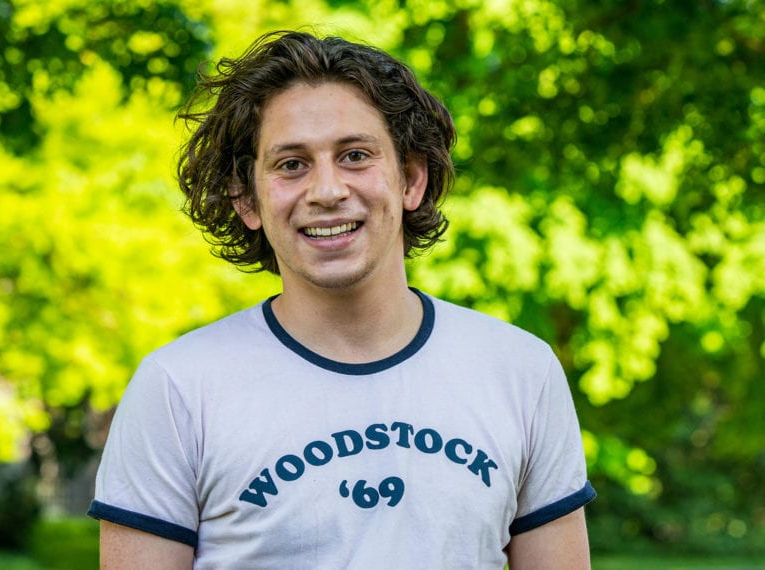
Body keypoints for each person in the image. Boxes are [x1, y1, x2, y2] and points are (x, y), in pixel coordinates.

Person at [88, 30, 596, 569]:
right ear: (246, 199)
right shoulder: (177, 388)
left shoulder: (521, 371)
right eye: (291, 164)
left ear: (411, 179)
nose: (327, 191)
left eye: (355, 156)